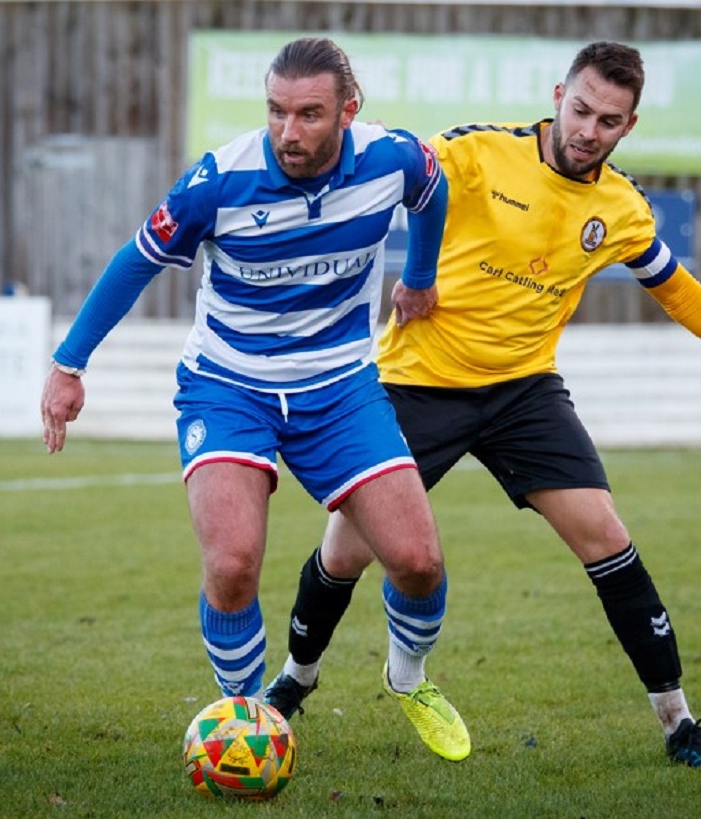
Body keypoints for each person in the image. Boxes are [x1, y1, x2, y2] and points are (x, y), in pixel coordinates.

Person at [263, 40, 701, 771]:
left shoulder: (620, 207)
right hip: (416, 382)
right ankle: (294, 681)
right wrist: (406, 270)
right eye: (583, 108)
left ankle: (679, 723)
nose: (589, 128)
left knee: (606, 535)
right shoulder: (477, 153)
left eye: (610, 119)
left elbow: (677, 288)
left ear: (628, 126)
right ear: (559, 94)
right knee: (346, 550)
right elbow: (390, 176)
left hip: (524, 392)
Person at [39, 36, 470, 763]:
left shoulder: (392, 157)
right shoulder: (220, 180)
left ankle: (408, 676)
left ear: (348, 112)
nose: (288, 132)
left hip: (338, 387)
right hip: (228, 382)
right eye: (276, 111)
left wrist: (420, 274)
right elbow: (135, 260)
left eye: (308, 115)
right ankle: (246, 725)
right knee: (234, 563)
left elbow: (433, 190)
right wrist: (67, 365)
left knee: (418, 560)